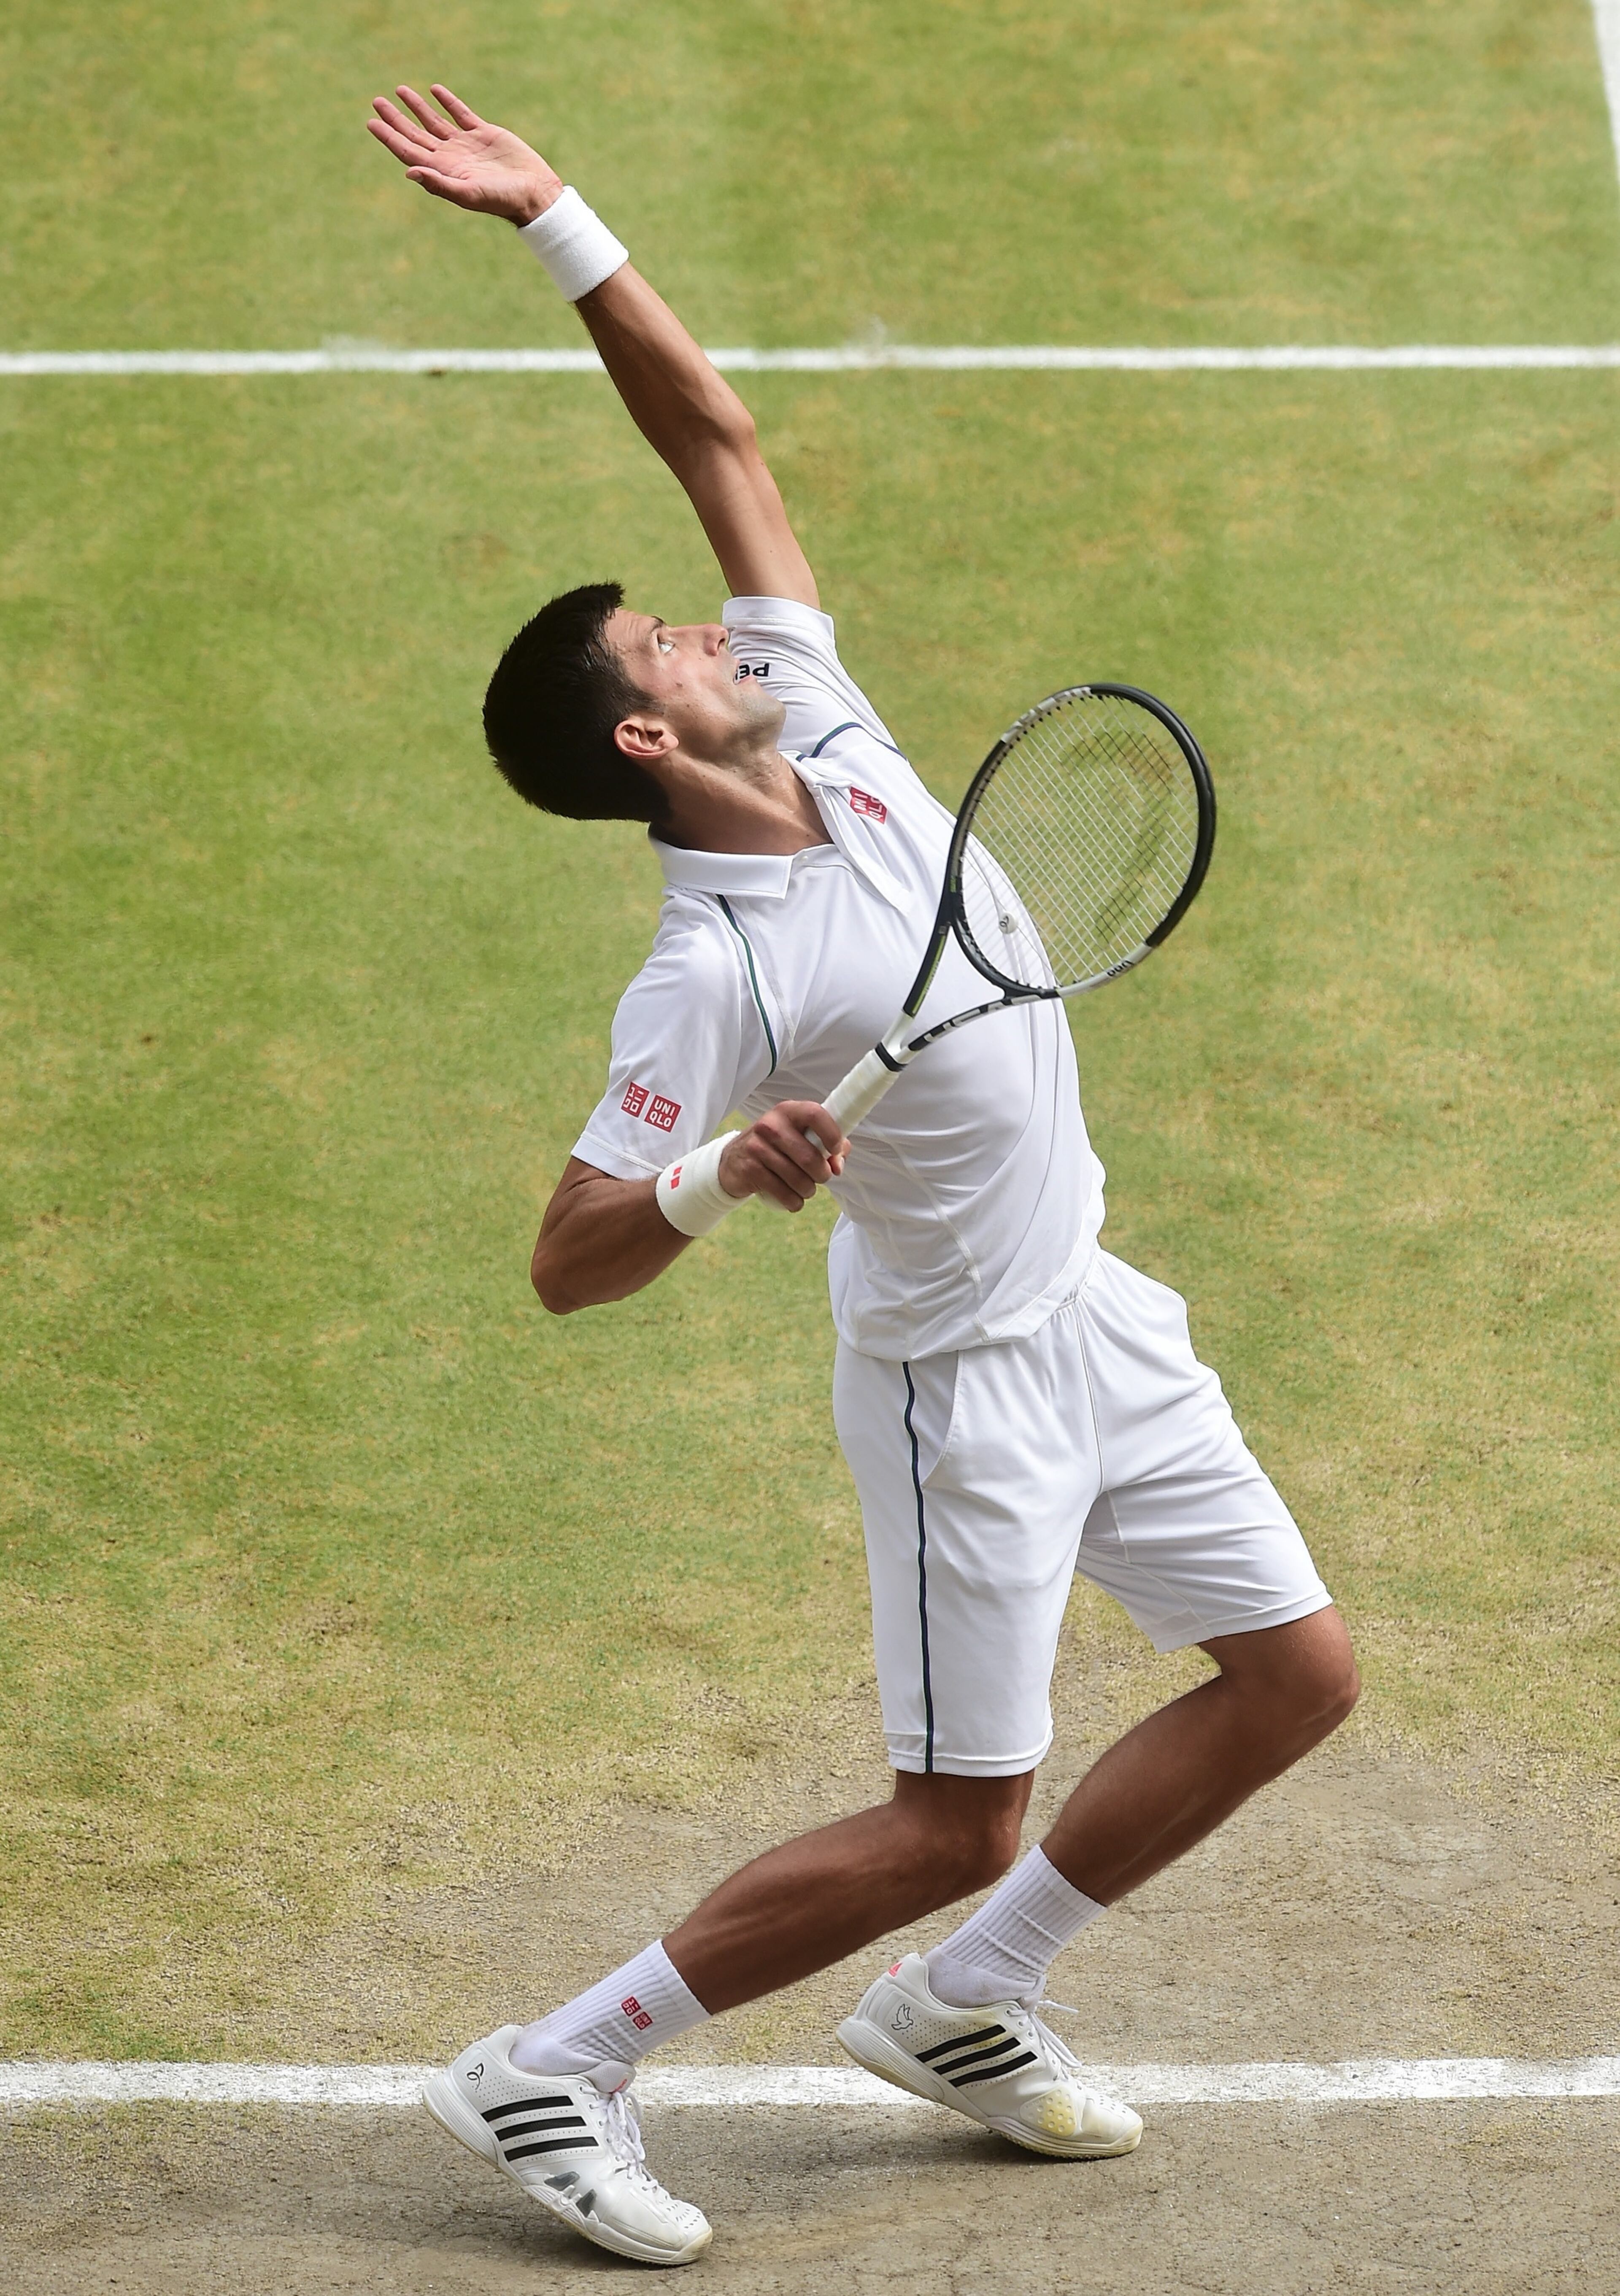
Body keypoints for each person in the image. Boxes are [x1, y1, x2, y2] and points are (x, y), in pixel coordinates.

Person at [367, 83, 1361, 2272]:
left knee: (1294, 1673)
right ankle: (555, 2061)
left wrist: (560, 221)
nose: (714, 630)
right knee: (947, 1815)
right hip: (957, 1390)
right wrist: (726, 1168)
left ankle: (967, 2000)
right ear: (647, 741)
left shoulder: (815, 714)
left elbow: (713, 437)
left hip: (1089, 1302)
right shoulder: (708, 976)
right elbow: (565, 1261)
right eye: (670, 652)